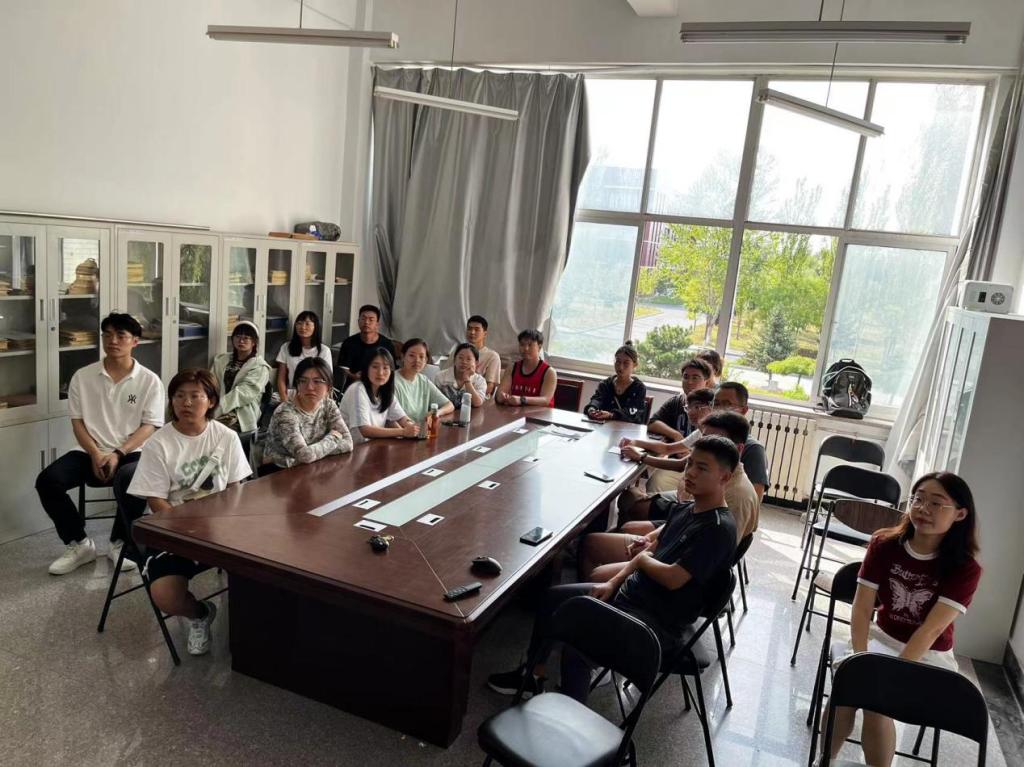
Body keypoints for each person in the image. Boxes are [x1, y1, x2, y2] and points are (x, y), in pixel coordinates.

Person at [487, 436, 738, 701]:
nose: (691, 472)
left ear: (725, 477)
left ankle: (568, 717)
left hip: (653, 624)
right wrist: (613, 581)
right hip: (632, 598)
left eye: (702, 468)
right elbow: (652, 549)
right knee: (553, 599)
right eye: (689, 464)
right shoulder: (688, 509)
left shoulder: (717, 529)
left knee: (579, 640)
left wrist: (640, 561)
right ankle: (533, 676)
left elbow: (673, 578)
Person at [825, 472, 982, 767]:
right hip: (881, 639)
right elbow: (862, 608)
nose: (923, 509)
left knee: (876, 702)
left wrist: (893, 673)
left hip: (929, 655)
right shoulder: (884, 544)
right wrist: (860, 656)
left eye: (936, 503)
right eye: (918, 499)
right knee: (847, 689)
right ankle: (824, 761)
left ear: (960, 514)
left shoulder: (965, 568)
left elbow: (932, 629)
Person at [127, 369, 251, 656]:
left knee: (264, 569)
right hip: (176, 530)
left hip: (221, 528)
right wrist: (189, 532)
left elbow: (236, 489)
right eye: (179, 396)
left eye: (196, 396)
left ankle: (251, 630)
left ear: (211, 401)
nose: (186, 402)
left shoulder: (226, 437)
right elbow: (156, 500)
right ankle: (200, 614)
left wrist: (226, 527)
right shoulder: (158, 443)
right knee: (165, 595)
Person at [36, 312, 164, 575]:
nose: (112, 341)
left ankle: (121, 543)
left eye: (121, 335)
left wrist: (118, 453)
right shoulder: (83, 377)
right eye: (107, 335)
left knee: (138, 477)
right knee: (48, 481)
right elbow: (78, 423)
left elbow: (149, 426)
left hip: (131, 451)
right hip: (89, 451)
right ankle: (79, 544)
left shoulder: (149, 380)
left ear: (135, 341)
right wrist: (95, 453)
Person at [590, 411, 759, 579]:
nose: (689, 472)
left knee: (595, 557)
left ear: (738, 449)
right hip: (675, 542)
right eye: (704, 438)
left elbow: (709, 563)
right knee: (627, 521)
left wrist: (645, 557)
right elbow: (683, 518)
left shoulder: (736, 498)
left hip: (675, 570)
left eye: (717, 441)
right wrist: (649, 540)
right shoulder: (707, 480)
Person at [261, 358, 353, 471]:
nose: (310, 387)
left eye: (317, 381)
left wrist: (312, 453)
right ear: (297, 385)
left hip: (311, 467)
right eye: (303, 381)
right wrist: (334, 437)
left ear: (329, 387)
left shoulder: (329, 405)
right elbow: (304, 456)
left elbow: (348, 443)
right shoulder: (285, 413)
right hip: (279, 473)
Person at [620, 388, 714, 494]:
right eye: (688, 407)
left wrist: (641, 456)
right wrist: (635, 442)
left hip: (704, 482)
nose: (691, 412)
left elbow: (680, 465)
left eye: (697, 407)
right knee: (652, 483)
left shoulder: (712, 434)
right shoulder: (699, 432)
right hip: (692, 474)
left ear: (711, 407)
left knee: (631, 495)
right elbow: (667, 448)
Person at [340, 346, 420, 444]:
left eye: (385, 368)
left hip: (372, 446)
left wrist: (411, 426)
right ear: (366, 368)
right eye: (375, 367)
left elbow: (401, 417)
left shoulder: (385, 392)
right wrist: (403, 432)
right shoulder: (357, 389)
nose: (380, 373)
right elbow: (365, 430)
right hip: (351, 448)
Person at [712, 382, 768, 502]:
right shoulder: (710, 437)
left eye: (727, 404)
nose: (719, 410)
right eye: (716, 404)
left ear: (744, 410)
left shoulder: (753, 449)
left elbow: (754, 500)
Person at [212, 320, 271, 433]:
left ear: (254, 342)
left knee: (215, 432)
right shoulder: (221, 360)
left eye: (246, 338)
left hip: (241, 413)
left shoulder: (260, 367)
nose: (241, 341)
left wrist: (219, 408)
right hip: (216, 407)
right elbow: (211, 383)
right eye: (238, 336)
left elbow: (242, 393)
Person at [647, 357, 713, 443]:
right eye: (686, 377)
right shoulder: (675, 402)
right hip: (674, 449)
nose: (689, 382)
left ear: (706, 382)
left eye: (695, 378)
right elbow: (652, 423)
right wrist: (675, 435)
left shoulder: (713, 405)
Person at [275, 311, 332, 403]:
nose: (302, 327)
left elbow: (327, 380)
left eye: (307, 324)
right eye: (299, 323)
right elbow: (281, 378)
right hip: (293, 395)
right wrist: (284, 400)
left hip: (315, 396)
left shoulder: (324, 350)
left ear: (315, 327)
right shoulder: (286, 347)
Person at [583, 342, 647, 424]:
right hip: (604, 428)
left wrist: (611, 415)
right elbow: (597, 399)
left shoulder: (639, 388)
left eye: (626, 363)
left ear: (635, 365)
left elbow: (633, 412)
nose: (620, 367)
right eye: (618, 361)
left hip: (627, 429)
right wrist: (591, 409)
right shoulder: (605, 384)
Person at [394, 338, 456, 423]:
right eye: (412, 355)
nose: (417, 360)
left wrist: (437, 413)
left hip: (422, 428)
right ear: (402, 357)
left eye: (421, 357)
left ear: (426, 360)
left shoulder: (423, 380)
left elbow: (449, 405)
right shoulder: (393, 381)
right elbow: (393, 418)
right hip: (403, 429)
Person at [494, 329, 557, 408]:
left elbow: (545, 400)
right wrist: (501, 396)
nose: (525, 348)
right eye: (522, 344)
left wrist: (522, 400)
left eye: (530, 345)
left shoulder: (549, 372)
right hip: (515, 412)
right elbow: (500, 393)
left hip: (541, 414)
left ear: (539, 347)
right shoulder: (512, 367)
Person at [337, 305, 394, 387]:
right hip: (354, 385)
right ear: (358, 321)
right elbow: (342, 369)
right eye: (363, 319)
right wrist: (354, 376)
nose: (366, 322)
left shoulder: (387, 344)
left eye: (371, 319)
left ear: (377, 324)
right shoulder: (349, 343)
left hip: (379, 386)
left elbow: (391, 370)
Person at [446, 315, 502, 396]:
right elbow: (445, 374)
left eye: (477, 329)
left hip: (478, 398)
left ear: (485, 334)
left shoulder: (492, 356)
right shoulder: (457, 351)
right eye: (469, 329)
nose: (472, 332)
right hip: (451, 396)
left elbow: (489, 387)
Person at [435, 342, 488, 408]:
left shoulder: (479, 380)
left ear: (476, 363)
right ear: (454, 360)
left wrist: (467, 380)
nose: (464, 362)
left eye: (468, 359)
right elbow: (436, 402)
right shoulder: (440, 377)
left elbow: (477, 403)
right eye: (460, 358)